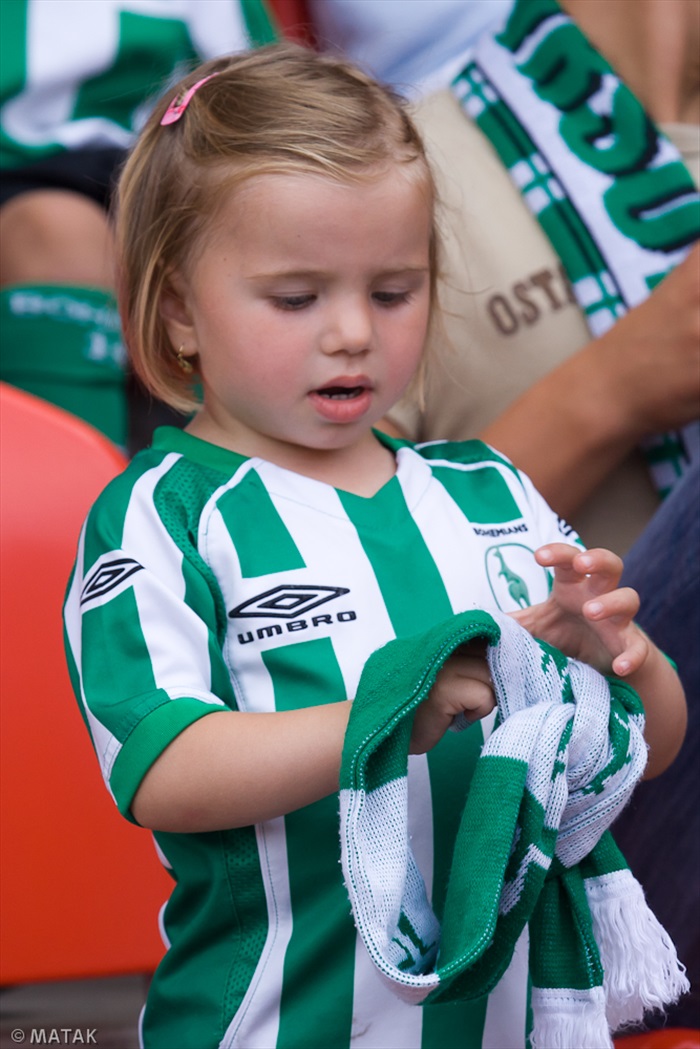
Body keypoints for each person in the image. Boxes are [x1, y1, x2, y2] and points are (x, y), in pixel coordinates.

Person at [62, 44, 686, 1048]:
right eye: (297, 298)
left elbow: (651, 744)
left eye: (392, 291)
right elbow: (161, 765)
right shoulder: (160, 512)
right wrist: (392, 710)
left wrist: (621, 657)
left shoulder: (488, 489)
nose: (352, 332)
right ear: (177, 307)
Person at [0, 0, 277, 448]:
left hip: (167, 165)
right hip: (17, 170)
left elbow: (264, 88)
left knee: (253, 236)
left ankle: (237, 484)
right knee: (59, 235)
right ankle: (74, 503)